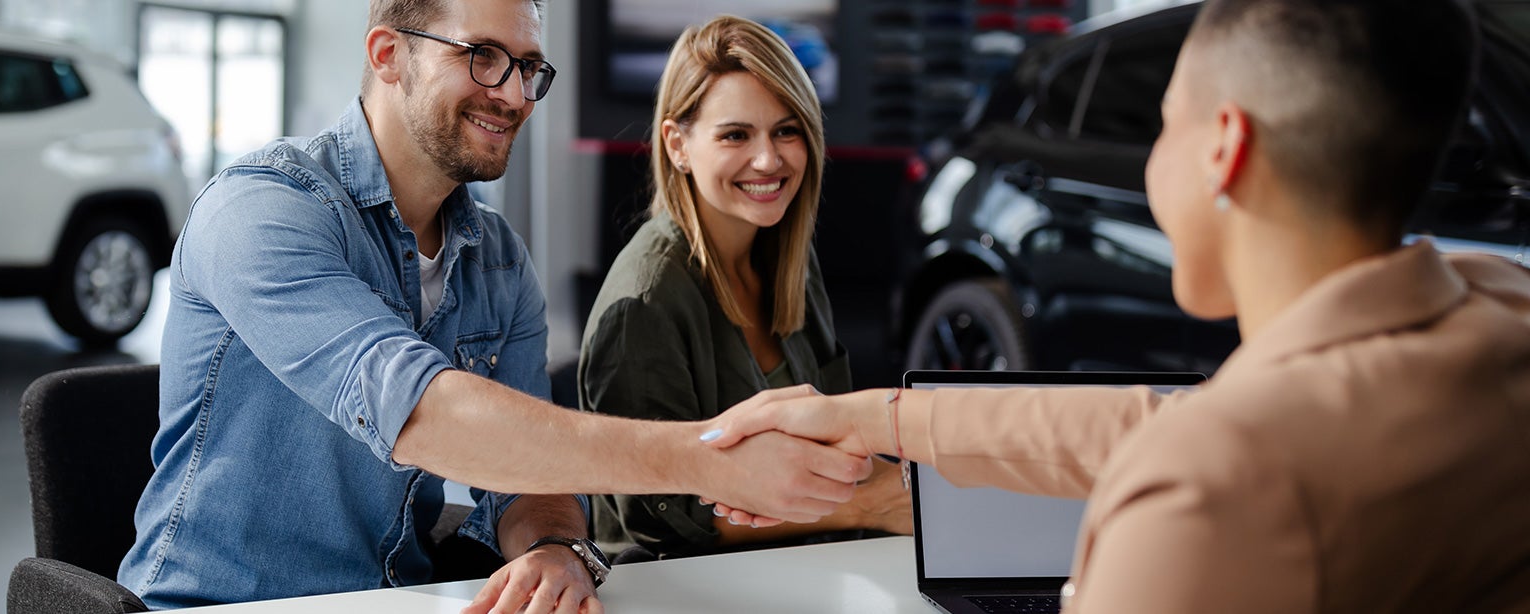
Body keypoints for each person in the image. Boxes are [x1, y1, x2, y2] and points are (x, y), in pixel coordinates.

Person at [700, 0, 1530, 611]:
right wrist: (883, 418)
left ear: (1222, 148)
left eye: (1159, 126)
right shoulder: (1501, 312)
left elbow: (1204, 453)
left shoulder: (1205, 500)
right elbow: (1173, 423)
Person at [116, 0, 873, 611]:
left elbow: (529, 484)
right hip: (214, 606)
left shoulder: (500, 259)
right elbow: (421, 414)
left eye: (529, 68)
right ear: (388, 55)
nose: (513, 94)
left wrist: (555, 547)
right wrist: (714, 461)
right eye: (482, 56)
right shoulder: (263, 210)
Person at [577, 15, 910, 561]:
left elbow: (838, 442)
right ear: (678, 145)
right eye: (736, 134)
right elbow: (663, 522)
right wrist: (872, 506)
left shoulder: (788, 260)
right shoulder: (644, 302)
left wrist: (931, 488)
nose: (769, 160)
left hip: (809, 564)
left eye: (787, 129)